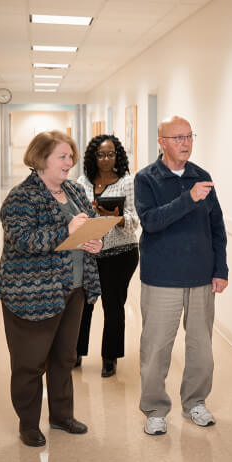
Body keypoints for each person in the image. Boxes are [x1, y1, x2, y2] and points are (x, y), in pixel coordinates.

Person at [0, 131, 104, 447]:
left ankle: (61, 416)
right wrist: (65, 229)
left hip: (74, 289)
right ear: (41, 159)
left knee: (64, 359)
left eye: (71, 156)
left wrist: (95, 241)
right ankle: (28, 423)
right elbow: (23, 241)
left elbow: (90, 223)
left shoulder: (76, 191)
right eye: (62, 157)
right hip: (32, 294)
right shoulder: (20, 198)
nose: (70, 163)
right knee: (30, 363)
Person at [134, 115, 228, 436]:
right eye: (177, 138)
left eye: (189, 136)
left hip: (201, 277)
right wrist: (188, 199)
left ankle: (196, 403)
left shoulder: (202, 176)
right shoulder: (147, 179)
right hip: (162, 278)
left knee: (202, 347)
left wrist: (221, 269)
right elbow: (151, 222)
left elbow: (217, 227)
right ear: (161, 142)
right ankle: (155, 409)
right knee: (156, 347)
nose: (185, 143)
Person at [75, 134, 140, 378]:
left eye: (110, 154)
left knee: (113, 306)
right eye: (100, 154)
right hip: (89, 253)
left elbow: (134, 222)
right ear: (93, 156)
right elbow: (74, 218)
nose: (105, 159)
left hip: (121, 254)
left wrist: (116, 217)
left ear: (117, 156)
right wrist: (87, 213)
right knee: (84, 305)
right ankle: (76, 352)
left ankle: (109, 357)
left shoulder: (127, 182)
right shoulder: (82, 182)